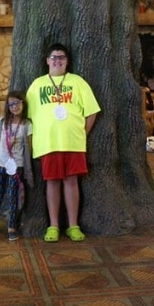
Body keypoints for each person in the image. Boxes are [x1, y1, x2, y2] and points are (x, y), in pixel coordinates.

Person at [25, 43, 100, 243]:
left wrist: (81, 133)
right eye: (54, 57)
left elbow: (92, 112)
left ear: (67, 61)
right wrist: (32, 143)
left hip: (73, 143)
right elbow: (28, 118)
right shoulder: (37, 85)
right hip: (48, 144)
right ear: (47, 60)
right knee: (52, 182)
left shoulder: (77, 82)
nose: (58, 60)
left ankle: (73, 225)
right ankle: (54, 225)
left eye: (62, 57)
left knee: (71, 182)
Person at [0, 90, 34, 241]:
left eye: (17, 103)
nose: (14, 107)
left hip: (17, 165)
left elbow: (29, 147)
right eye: (10, 104)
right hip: (0, 163)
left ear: (23, 103)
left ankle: (11, 226)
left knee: (12, 196)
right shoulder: (3, 121)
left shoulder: (26, 124)